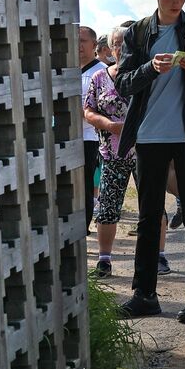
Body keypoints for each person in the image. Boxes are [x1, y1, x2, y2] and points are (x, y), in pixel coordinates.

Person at [114, 0, 185, 323]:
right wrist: (151, 70)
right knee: (148, 218)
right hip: (148, 136)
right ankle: (144, 294)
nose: (175, 0)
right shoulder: (138, 33)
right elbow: (123, 84)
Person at [83, 24, 148, 278]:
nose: (121, 48)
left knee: (151, 206)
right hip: (112, 152)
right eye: (117, 44)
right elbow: (88, 111)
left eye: (125, 43)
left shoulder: (144, 74)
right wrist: (109, 125)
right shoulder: (100, 77)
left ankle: (159, 256)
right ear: (110, 48)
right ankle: (105, 258)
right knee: (108, 206)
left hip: (144, 151)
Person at [78, 26, 103, 232]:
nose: (77, 45)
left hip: (90, 136)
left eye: (82, 41)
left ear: (94, 45)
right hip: (66, 136)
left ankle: (83, 228)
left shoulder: (101, 71)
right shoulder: (66, 69)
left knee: (85, 184)